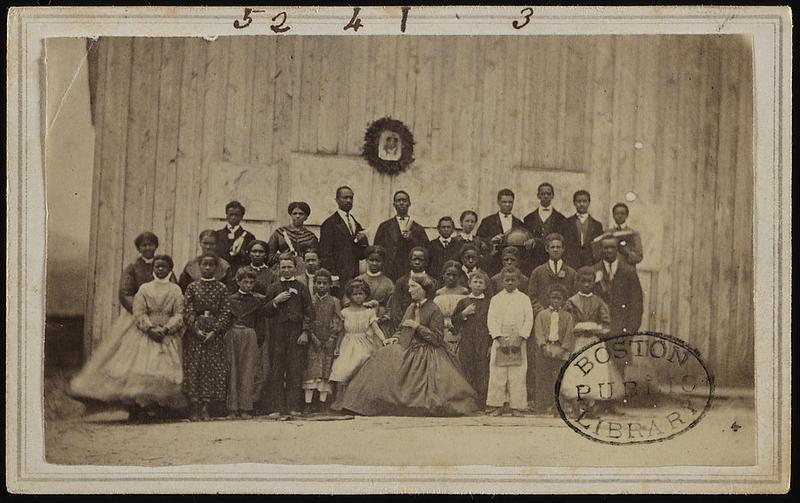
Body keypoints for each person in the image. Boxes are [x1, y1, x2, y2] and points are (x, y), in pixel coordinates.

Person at [68, 252, 185, 422]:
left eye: (164, 267)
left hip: (166, 334)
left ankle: (156, 407)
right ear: (153, 268)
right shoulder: (145, 289)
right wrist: (150, 328)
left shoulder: (175, 290)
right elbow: (139, 313)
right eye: (157, 266)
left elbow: (179, 313)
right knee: (141, 369)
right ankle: (138, 407)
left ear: (170, 269)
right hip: (146, 334)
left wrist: (167, 329)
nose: (160, 270)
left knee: (163, 370)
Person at [340, 276, 480, 416]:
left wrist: (418, 327)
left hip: (427, 351)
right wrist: (394, 338)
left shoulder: (433, 309)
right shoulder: (411, 307)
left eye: (413, 286)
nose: (409, 290)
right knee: (380, 358)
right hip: (406, 345)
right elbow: (402, 328)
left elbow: (437, 339)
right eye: (409, 287)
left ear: (423, 290)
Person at [182, 252, 234, 421]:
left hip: (214, 333)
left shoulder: (222, 288)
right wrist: (195, 329)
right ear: (199, 266)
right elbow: (187, 310)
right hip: (195, 333)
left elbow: (226, 312)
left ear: (216, 268)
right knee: (194, 366)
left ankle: (206, 406)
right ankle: (194, 405)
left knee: (211, 368)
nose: (207, 268)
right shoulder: (192, 287)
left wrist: (215, 331)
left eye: (211, 265)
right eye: (204, 264)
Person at [562, 267, 618, 418]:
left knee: (594, 373)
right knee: (577, 371)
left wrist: (596, 330)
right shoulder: (571, 302)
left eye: (589, 281)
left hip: (593, 342)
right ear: (577, 282)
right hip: (577, 342)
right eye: (583, 281)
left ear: (594, 282)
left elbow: (607, 324)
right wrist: (577, 330)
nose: (586, 284)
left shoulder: (599, 302)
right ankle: (576, 407)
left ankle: (591, 408)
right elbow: (566, 321)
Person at [263, 253, 314, 417]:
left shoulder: (301, 287)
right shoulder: (273, 288)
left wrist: (305, 331)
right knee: (277, 368)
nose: (286, 270)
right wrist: (275, 302)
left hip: (296, 332)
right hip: (277, 333)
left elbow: (309, 312)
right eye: (283, 267)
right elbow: (266, 312)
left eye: (289, 267)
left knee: (295, 369)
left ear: (295, 268)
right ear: (279, 268)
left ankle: (293, 406)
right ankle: (277, 407)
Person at [329, 279, 389, 407]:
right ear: (349, 296)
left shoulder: (369, 312)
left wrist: (384, 340)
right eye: (355, 294)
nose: (358, 297)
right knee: (342, 369)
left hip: (363, 343)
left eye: (361, 294)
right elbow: (341, 331)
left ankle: (361, 402)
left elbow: (376, 328)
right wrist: (337, 347)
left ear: (366, 295)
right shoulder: (345, 312)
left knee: (362, 365)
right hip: (347, 343)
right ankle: (340, 401)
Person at [593, 236, 644, 380]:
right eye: (606, 247)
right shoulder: (594, 270)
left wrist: (631, 329)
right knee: (598, 364)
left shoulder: (628, 272)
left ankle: (617, 397)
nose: (609, 250)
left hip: (621, 327)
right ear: (601, 250)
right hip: (599, 328)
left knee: (619, 366)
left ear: (617, 249)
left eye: (612, 247)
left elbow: (636, 304)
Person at [486, 266, 533, 417]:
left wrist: (521, 337)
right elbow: (491, 320)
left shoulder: (524, 299)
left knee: (518, 373)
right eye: (507, 280)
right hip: (500, 340)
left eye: (513, 280)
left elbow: (529, 319)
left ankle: (517, 406)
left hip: (518, 339)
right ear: (502, 281)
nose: (510, 283)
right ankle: (496, 405)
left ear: (519, 281)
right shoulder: (496, 299)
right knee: (497, 373)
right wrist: (498, 337)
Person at [225, 266, 267, 420]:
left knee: (248, 371)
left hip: (250, 336)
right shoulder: (230, 299)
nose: (248, 285)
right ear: (238, 282)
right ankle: (232, 408)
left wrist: (258, 340)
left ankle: (245, 407)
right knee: (233, 370)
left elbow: (260, 323)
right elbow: (226, 320)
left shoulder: (256, 301)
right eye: (245, 282)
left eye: (251, 282)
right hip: (233, 335)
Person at [301, 269, 343, 414]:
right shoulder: (310, 300)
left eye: (325, 283)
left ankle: (322, 403)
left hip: (328, 341)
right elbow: (306, 319)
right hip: (313, 341)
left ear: (330, 285)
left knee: (325, 371)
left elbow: (338, 320)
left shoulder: (334, 301)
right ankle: (308, 403)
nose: (321, 286)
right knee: (311, 372)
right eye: (318, 283)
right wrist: (312, 337)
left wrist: (332, 338)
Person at [531, 284, 575, 415]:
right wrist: (543, 346)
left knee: (559, 378)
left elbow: (569, 333)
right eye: (553, 298)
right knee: (542, 378)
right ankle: (541, 406)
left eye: (559, 298)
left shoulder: (567, 316)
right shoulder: (541, 315)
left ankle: (558, 406)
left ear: (563, 300)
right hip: (545, 348)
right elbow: (538, 332)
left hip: (560, 349)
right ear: (548, 299)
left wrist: (564, 348)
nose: (556, 301)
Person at [452, 270, 492, 403]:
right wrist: (464, 313)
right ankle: (469, 401)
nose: (478, 285)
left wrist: (491, 343)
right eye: (475, 282)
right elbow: (454, 320)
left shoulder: (489, 302)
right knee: (467, 368)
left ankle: (481, 402)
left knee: (482, 370)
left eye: (481, 282)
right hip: (467, 340)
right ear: (469, 284)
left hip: (483, 340)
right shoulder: (463, 302)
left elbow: (493, 322)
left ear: (485, 286)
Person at [319, 186, 369, 289]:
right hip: (338, 276)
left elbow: (361, 255)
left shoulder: (355, 223)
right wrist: (333, 276)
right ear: (337, 200)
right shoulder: (329, 223)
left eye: (351, 198)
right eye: (345, 197)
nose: (348, 200)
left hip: (354, 274)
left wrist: (363, 242)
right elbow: (325, 253)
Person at [373, 190, 430, 281]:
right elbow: (377, 249)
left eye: (404, 200)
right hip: (390, 270)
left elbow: (425, 249)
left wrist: (411, 239)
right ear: (394, 204)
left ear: (409, 203)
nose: (401, 203)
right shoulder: (385, 226)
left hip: (409, 269)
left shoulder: (417, 228)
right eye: (398, 201)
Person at [476, 189, 525, 276]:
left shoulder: (519, 223)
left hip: (512, 265)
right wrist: (491, 240)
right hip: (493, 264)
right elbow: (479, 240)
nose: (507, 205)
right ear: (498, 202)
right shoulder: (487, 221)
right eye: (504, 202)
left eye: (510, 202)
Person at [527, 233, 577, 317]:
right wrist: (542, 312)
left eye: (558, 247)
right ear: (547, 249)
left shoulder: (572, 273)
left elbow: (575, 297)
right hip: (543, 318)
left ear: (563, 249)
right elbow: (532, 297)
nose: (555, 250)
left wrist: (565, 311)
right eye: (552, 247)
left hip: (564, 317)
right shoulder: (537, 272)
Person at [522, 182, 567, 274]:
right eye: (543, 194)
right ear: (538, 196)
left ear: (553, 196)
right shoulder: (528, 219)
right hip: (533, 261)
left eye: (548, 194)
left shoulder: (561, 219)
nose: (546, 196)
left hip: (553, 260)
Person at [388, 246, 438, 327]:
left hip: (426, 324)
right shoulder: (401, 282)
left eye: (421, 260)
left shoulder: (433, 282)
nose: (417, 262)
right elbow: (396, 307)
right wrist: (401, 327)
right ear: (410, 261)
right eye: (414, 259)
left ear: (426, 262)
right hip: (404, 323)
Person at [353, 245, 396, 336]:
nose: (374, 263)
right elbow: (347, 300)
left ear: (383, 262)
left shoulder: (388, 283)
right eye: (371, 260)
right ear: (367, 261)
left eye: (378, 261)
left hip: (380, 322)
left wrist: (381, 318)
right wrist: (362, 304)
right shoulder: (358, 280)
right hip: (359, 320)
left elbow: (391, 306)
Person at [267, 201, 319, 273]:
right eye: (294, 213)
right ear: (291, 215)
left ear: (306, 217)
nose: (297, 216)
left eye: (301, 214)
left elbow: (314, 258)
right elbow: (268, 255)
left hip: (302, 271)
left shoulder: (310, 237)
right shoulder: (280, 233)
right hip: (281, 269)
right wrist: (282, 256)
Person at [433, 260, 470, 355]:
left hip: (461, 331)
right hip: (442, 331)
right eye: (448, 274)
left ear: (459, 277)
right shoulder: (439, 293)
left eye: (455, 275)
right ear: (443, 275)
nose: (451, 278)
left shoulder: (465, 293)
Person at [591, 202, 644, 267]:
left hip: (628, 270)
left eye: (622, 213)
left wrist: (627, 252)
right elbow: (597, 256)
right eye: (617, 214)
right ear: (613, 215)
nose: (619, 216)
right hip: (610, 269)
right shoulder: (606, 233)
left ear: (627, 215)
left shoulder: (633, 234)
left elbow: (639, 257)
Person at [562, 190, 604, 270]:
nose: (581, 204)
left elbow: (598, 248)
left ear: (589, 203)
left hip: (590, 264)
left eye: (584, 201)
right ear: (574, 203)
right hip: (571, 264)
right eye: (578, 201)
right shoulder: (566, 223)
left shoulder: (597, 225)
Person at [215, 200, 256, 275]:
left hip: (240, 274)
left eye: (236, 215)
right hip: (220, 273)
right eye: (230, 214)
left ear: (242, 216)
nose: (233, 217)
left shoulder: (248, 237)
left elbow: (251, 258)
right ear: (226, 215)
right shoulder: (217, 234)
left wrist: (240, 253)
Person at [428, 216, 463, 281]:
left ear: (453, 229)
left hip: (452, 280)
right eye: (443, 227)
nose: (446, 229)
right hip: (435, 280)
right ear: (438, 229)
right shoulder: (431, 245)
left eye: (448, 227)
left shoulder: (459, 245)